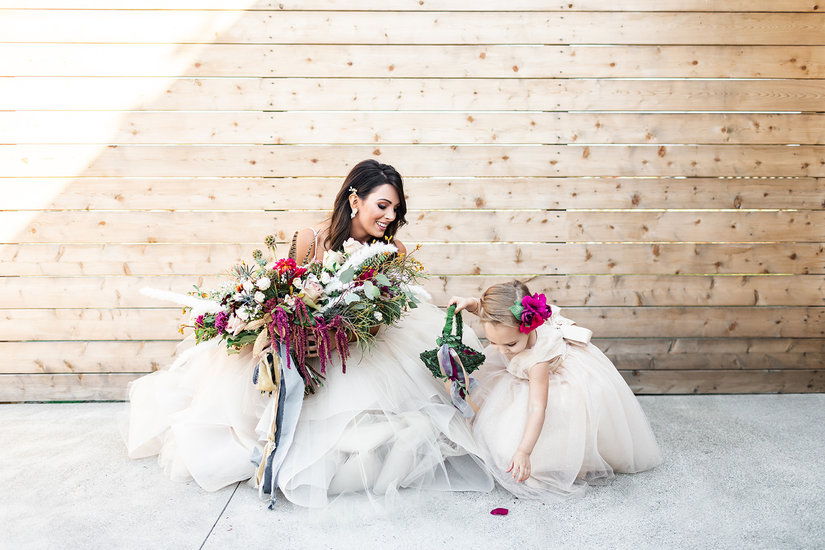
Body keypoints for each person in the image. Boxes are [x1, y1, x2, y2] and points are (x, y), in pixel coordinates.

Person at [124, 159, 494, 507]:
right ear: (355, 199)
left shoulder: (392, 251)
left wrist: (338, 338)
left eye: (396, 210)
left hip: (360, 347)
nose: (390, 216)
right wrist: (294, 333)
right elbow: (284, 297)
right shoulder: (310, 239)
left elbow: (383, 317)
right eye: (382, 205)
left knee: (389, 421)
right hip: (303, 341)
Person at [449, 280, 662, 500]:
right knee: (495, 421)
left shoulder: (537, 361)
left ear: (529, 327)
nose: (501, 351)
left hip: (555, 383)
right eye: (492, 342)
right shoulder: (507, 327)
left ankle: (574, 457)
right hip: (526, 372)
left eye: (510, 345)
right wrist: (470, 303)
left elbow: (537, 408)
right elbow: (484, 310)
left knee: (550, 440)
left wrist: (524, 451)